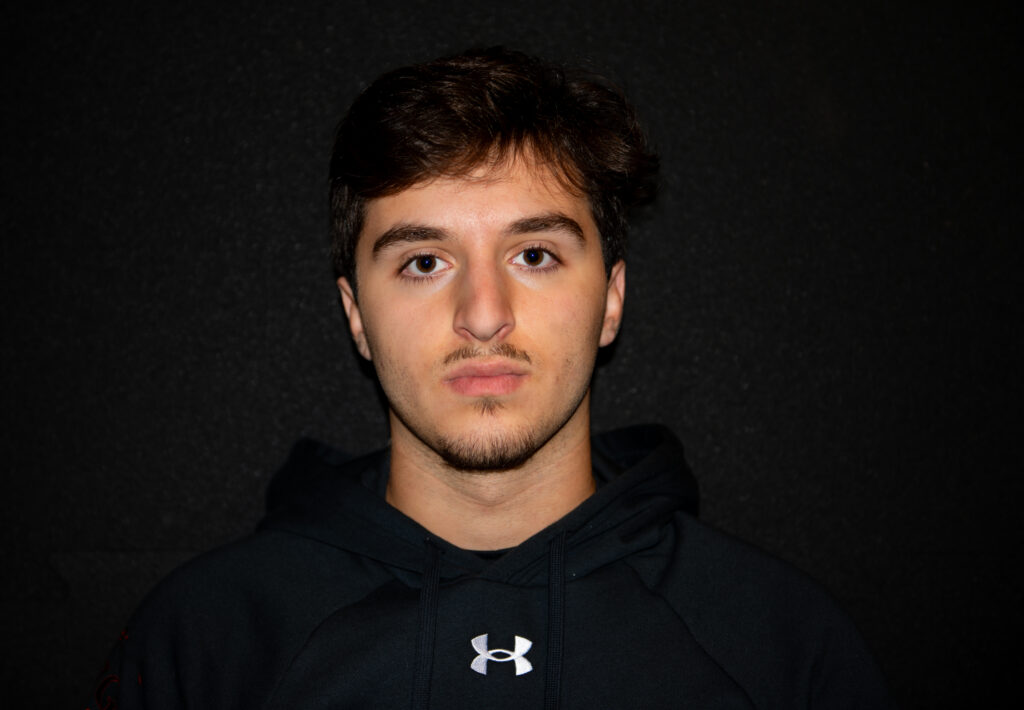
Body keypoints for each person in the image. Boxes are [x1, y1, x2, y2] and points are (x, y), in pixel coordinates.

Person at [88, 47, 891, 709]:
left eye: (534, 255)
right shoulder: (206, 642)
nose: (482, 315)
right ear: (356, 314)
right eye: (424, 262)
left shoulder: (779, 646)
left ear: (611, 300)